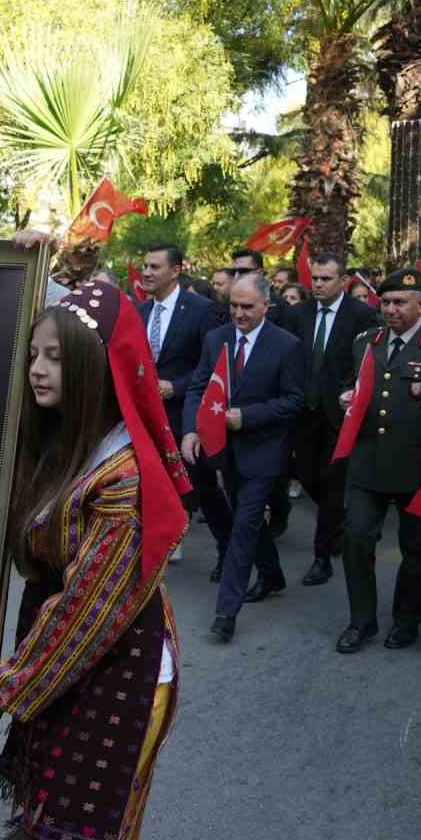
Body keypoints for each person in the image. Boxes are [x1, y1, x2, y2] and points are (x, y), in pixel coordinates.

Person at [0, 281, 189, 840]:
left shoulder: (121, 473)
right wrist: (33, 269)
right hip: (72, 660)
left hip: (115, 669)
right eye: (33, 355)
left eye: (56, 359)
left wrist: (8, 687)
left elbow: (88, 613)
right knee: (83, 830)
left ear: (94, 368)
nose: (38, 370)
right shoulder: (65, 442)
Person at [333, 270, 421, 653]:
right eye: (385, 302)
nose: (390, 310)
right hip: (367, 462)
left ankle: (407, 619)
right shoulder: (365, 343)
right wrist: (349, 396)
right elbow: (355, 386)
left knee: (417, 548)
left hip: (418, 467)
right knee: (356, 539)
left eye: (399, 302)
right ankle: (361, 622)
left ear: (420, 304)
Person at [182, 273, 304, 642]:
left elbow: (294, 400)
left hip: (264, 451)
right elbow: (199, 387)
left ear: (266, 306)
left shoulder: (286, 346)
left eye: (247, 307)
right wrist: (190, 429)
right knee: (245, 519)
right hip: (224, 452)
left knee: (242, 526)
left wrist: (246, 417)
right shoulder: (215, 339)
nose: (238, 313)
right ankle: (272, 575)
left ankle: (225, 613)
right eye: (234, 305)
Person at [288, 253, 381, 586]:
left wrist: (352, 390)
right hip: (302, 413)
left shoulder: (363, 316)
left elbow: (368, 363)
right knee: (307, 475)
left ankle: (321, 557)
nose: (318, 284)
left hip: (338, 415)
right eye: (315, 278)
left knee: (332, 484)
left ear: (343, 281)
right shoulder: (297, 313)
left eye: (326, 278)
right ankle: (337, 522)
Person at [137, 242, 226, 577]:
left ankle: (227, 547)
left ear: (175, 271)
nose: (147, 273)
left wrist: (176, 386)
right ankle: (156, 547)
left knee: (201, 485)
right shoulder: (140, 311)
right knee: (150, 484)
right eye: (145, 266)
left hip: (186, 415)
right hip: (148, 417)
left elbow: (214, 364)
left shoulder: (202, 310)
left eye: (154, 267)